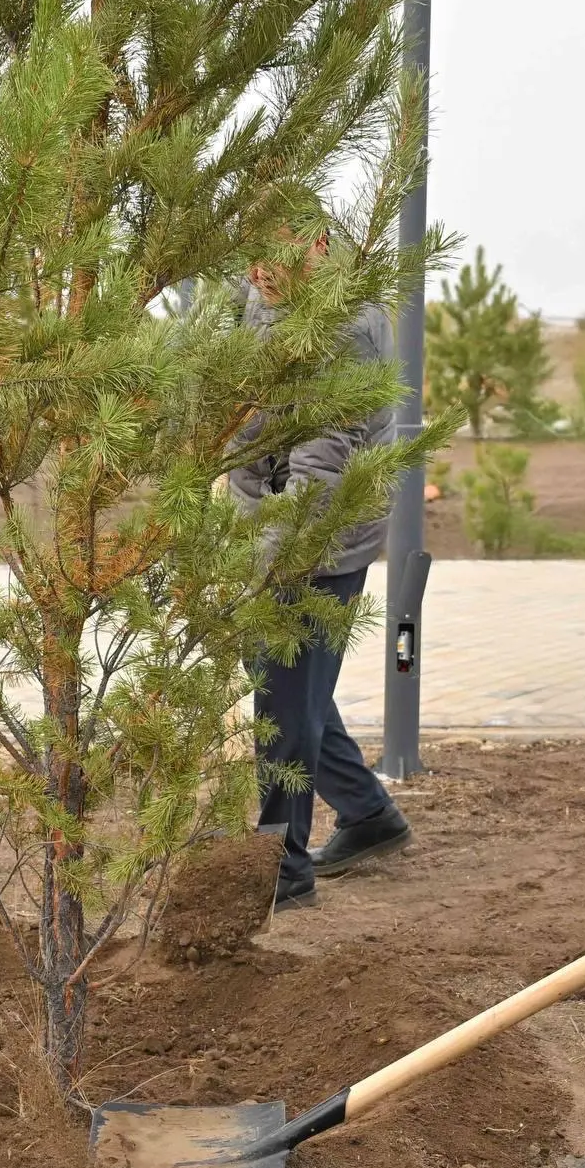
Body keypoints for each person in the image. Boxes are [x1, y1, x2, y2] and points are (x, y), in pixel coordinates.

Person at [229, 250, 414, 910]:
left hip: (322, 537)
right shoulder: (260, 296)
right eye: (253, 254)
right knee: (293, 689)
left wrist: (272, 560)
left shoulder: (349, 329)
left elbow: (322, 465)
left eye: (274, 253)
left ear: (321, 246)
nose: (258, 270)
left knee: (282, 700)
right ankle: (369, 816)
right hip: (268, 525)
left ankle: (282, 870)